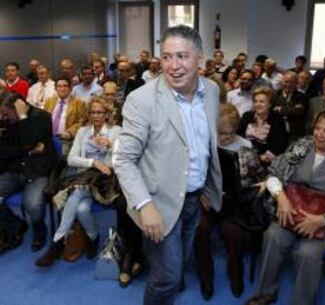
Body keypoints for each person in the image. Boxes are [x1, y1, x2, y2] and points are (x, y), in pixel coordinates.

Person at [114, 25, 222, 305]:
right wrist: (144, 205)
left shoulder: (211, 90)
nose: (173, 66)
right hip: (158, 204)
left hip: (195, 200)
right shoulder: (141, 100)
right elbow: (124, 159)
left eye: (182, 56)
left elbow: (203, 145)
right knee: (167, 278)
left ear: (200, 59)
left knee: (179, 265)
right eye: (167, 57)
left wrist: (208, 186)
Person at [244, 110, 325, 305]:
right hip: (291, 211)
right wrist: (282, 198)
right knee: (273, 236)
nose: (319, 134)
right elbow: (273, 173)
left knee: (307, 253)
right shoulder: (301, 147)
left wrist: (321, 220)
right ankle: (265, 293)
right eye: (317, 128)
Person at [35, 98, 121, 267]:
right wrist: (93, 162)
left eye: (100, 112)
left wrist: (111, 147)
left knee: (77, 194)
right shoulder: (82, 132)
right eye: (93, 112)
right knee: (81, 209)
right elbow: (72, 159)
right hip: (84, 178)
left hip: (105, 182)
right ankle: (93, 236)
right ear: (88, 114)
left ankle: (57, 243)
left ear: (107, 114)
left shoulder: (116, 131)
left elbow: (122, 159)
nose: (96, 116)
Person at [195, 103, 252, 300]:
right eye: (219, 133)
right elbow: (194, 176)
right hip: (207, 200)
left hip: (233, 203)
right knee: (200, 230)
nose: (224, 138)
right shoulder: (204, 142)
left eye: (228, 133)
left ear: (236, 128)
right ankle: (206, 276)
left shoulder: (245, 146)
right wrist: (202, 194)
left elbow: (249, 180)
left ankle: (235, 272)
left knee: (234, 233)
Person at [0, 91, 57, 251]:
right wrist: (28, 151)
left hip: (37, 171)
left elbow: (29, 140)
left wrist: (23, 118)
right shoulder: (8, 122)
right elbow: (4, 151)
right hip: (14, 169)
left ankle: (40, 230)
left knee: (33, 204)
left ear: (18, 108)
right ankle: (16, 224)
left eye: (6, 114)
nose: (3, 118)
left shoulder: (42, 117)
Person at [237, 86, 288, 165]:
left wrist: (261, 158)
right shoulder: (247, 116)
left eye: (262, 101)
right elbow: (238, 136)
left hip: (266, 162)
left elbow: (280, 145)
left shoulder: (278, 119)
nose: (258, 104)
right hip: (244, 157)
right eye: (255, 101)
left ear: (270, 104)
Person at [43, 76, 86, 155]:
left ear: (70, 88)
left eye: (65, 86)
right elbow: (43, 119)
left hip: (66, 140)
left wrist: (70, 132)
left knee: (62, 159)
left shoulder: (79, 103)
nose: (62, 89)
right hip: (49, 138)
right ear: (55, 88)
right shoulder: (49, 101)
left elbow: (82, 122)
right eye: (59, 86)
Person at [272, 71, 307, 144]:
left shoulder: (301, 97)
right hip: (276, 133)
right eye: (286, 82)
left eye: (292, 82)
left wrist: (280, 109)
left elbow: (298, 111)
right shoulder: (275, 95)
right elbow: (271, 110)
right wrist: (291, 110)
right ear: (282, 82)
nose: (288, 84)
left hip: (294, 135)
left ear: (296, 83)